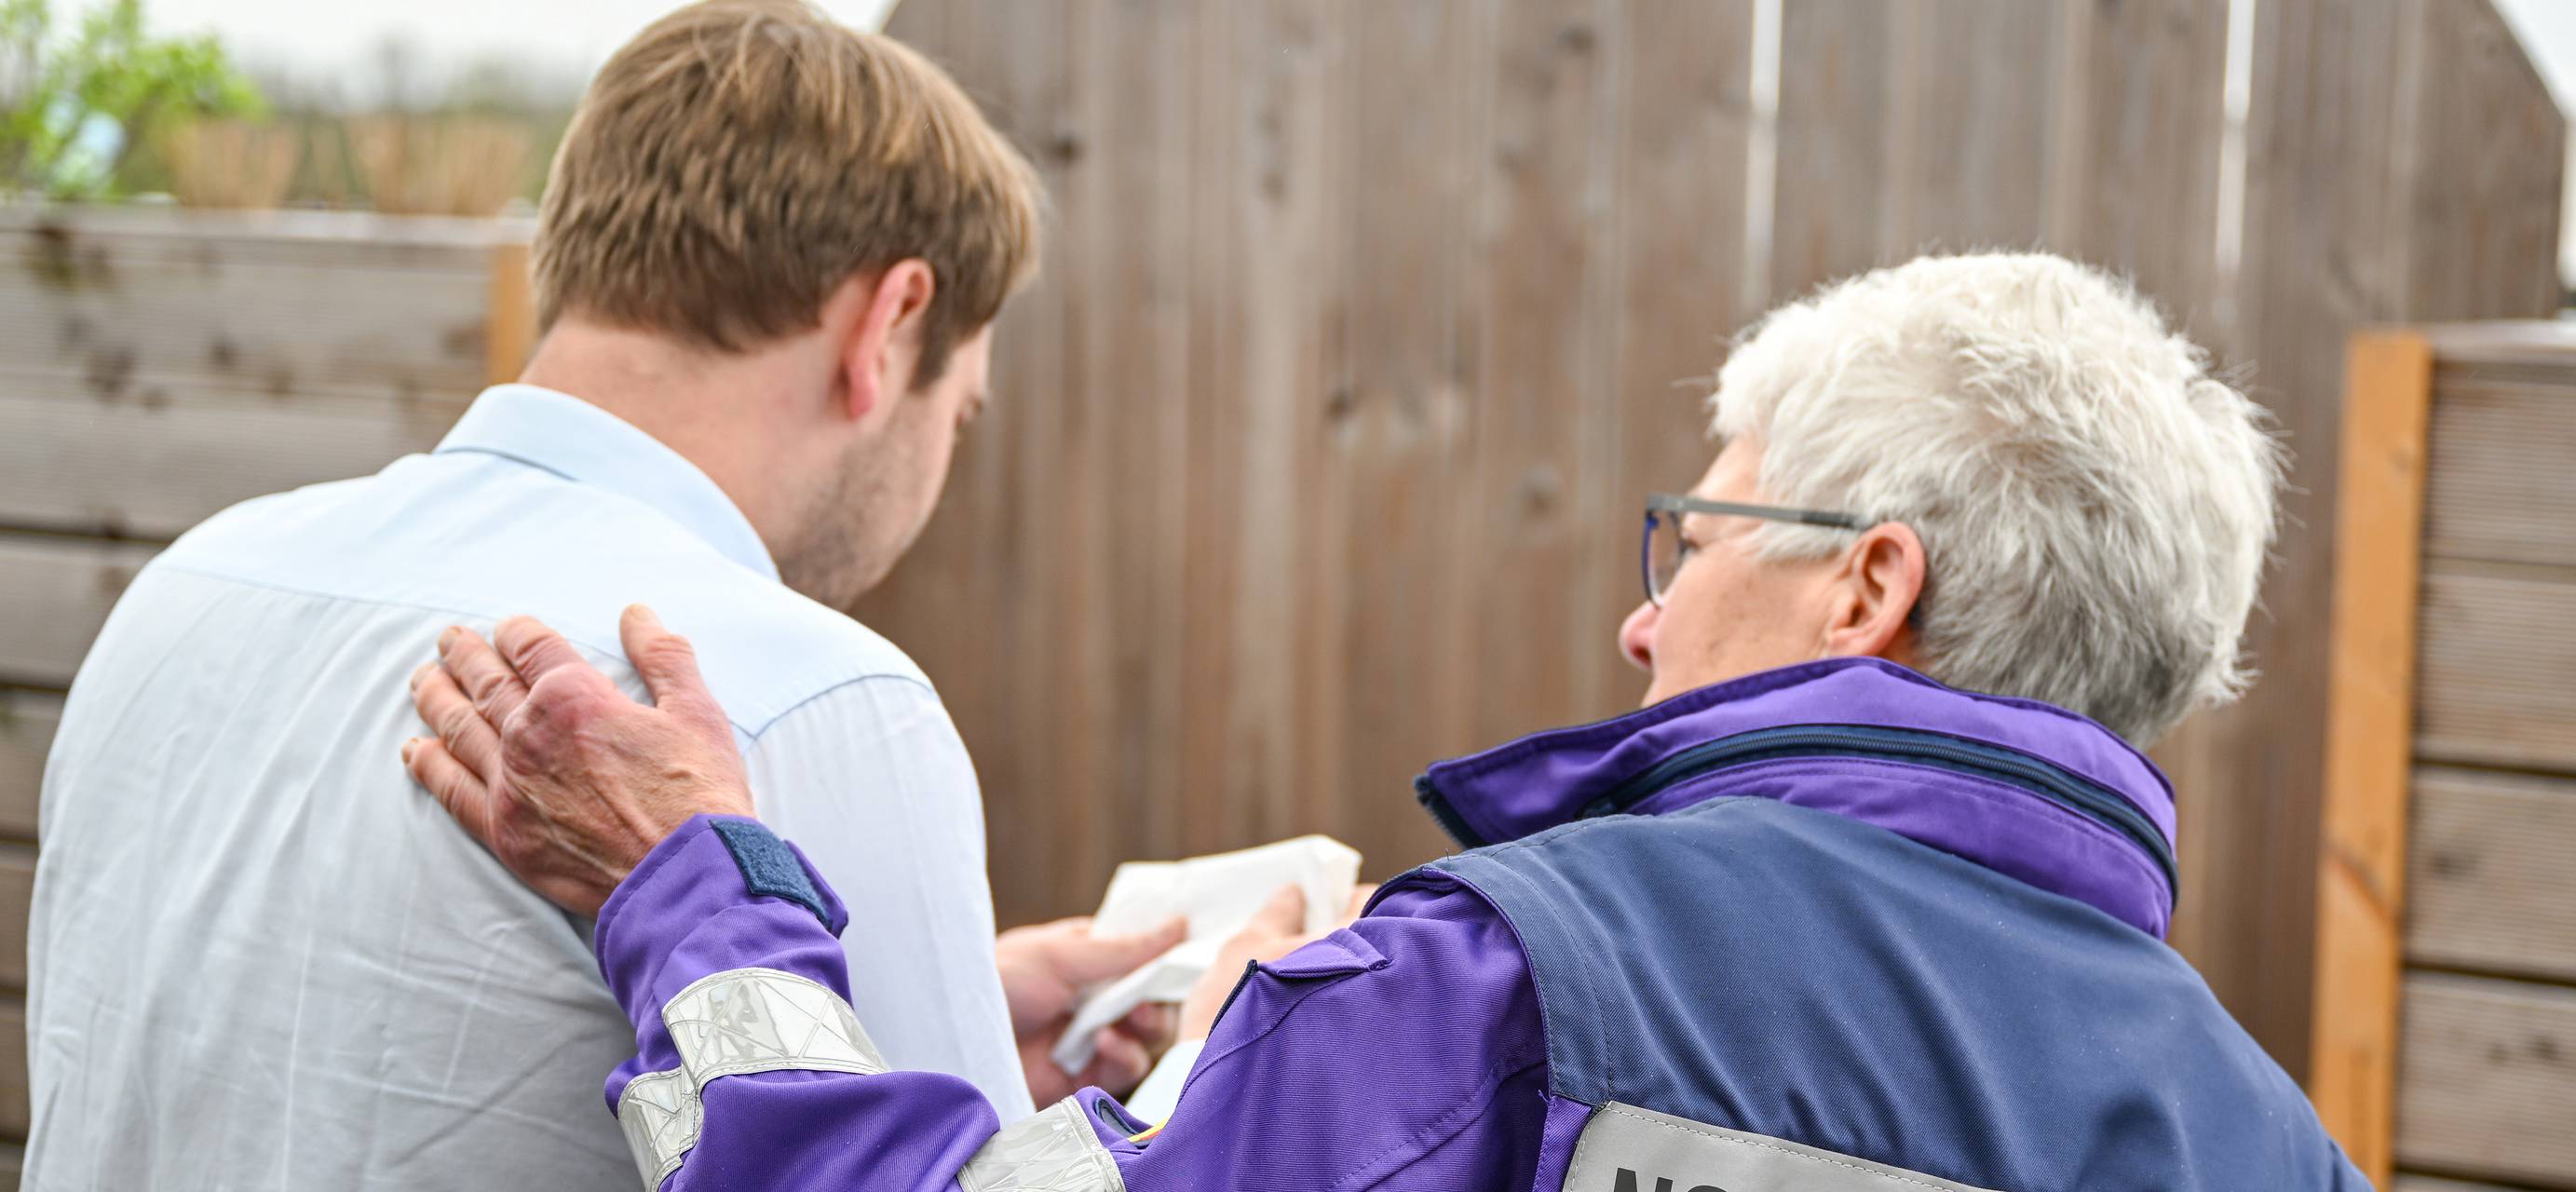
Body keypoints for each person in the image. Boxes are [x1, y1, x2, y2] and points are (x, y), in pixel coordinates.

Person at [401, 253, 2370, 1189]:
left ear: (1866, 581)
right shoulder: (2274, 1152)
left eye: (1690, 530)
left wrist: (695, 899)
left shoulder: (1533, 980)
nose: (1638, 608)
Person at [22, 4, 1179, 1188]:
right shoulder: (800, 698)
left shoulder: (189, 586)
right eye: (962, 411)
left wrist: (950, 1001)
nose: (945, 459)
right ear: (886, 326)